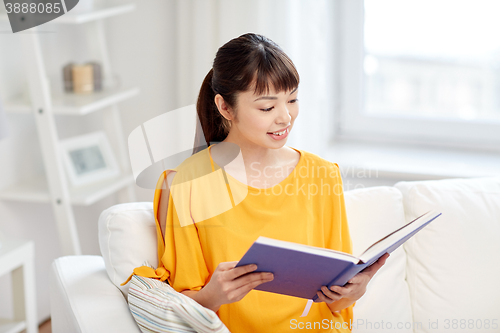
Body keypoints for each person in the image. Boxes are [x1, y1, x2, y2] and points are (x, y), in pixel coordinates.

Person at [132, 33, 389, 333]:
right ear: (226, 108)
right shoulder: (186, 185)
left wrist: (351, 293)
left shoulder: (322, 175)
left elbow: (335, 302)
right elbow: (178, 312)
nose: (285, 117)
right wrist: (212, 295)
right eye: (267, 108)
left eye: (292, 100)